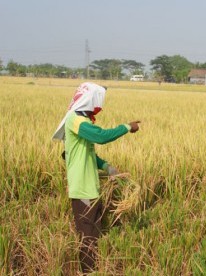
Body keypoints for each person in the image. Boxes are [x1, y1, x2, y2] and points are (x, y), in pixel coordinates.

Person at [52, 82, 141, 274]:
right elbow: (101, 136)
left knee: (94, 234)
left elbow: (87, 153)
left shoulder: (81, 121)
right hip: (83, 190)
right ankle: (88, 272)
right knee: (88, 238)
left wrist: (107, 167)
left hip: (91, 189)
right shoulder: (75, 120)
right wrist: (127, 127)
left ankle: (94, 270)